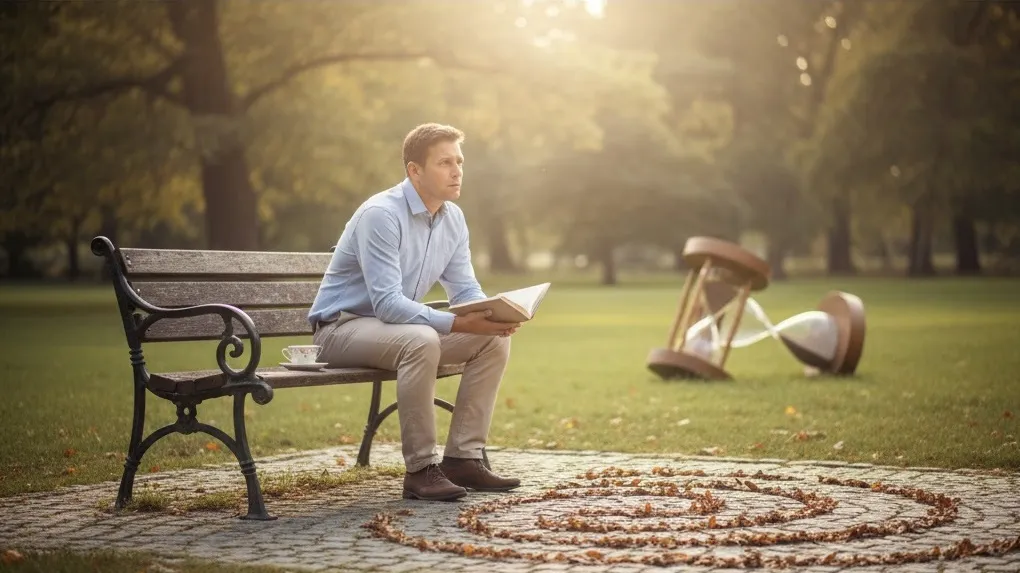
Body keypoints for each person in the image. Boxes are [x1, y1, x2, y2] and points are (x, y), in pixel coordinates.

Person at [308, 123, 522, 501]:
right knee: (421, 340)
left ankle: (463, 459)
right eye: (444, 163)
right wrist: (458, 322)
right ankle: (421, 470)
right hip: (340, 330)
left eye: (459, 161)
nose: (456, 171)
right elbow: (388, 304)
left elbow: (465, 288)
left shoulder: (453, 218)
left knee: (491, 342)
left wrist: (492, 314)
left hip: (392, 330)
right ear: (415, 170)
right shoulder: (381, 214)